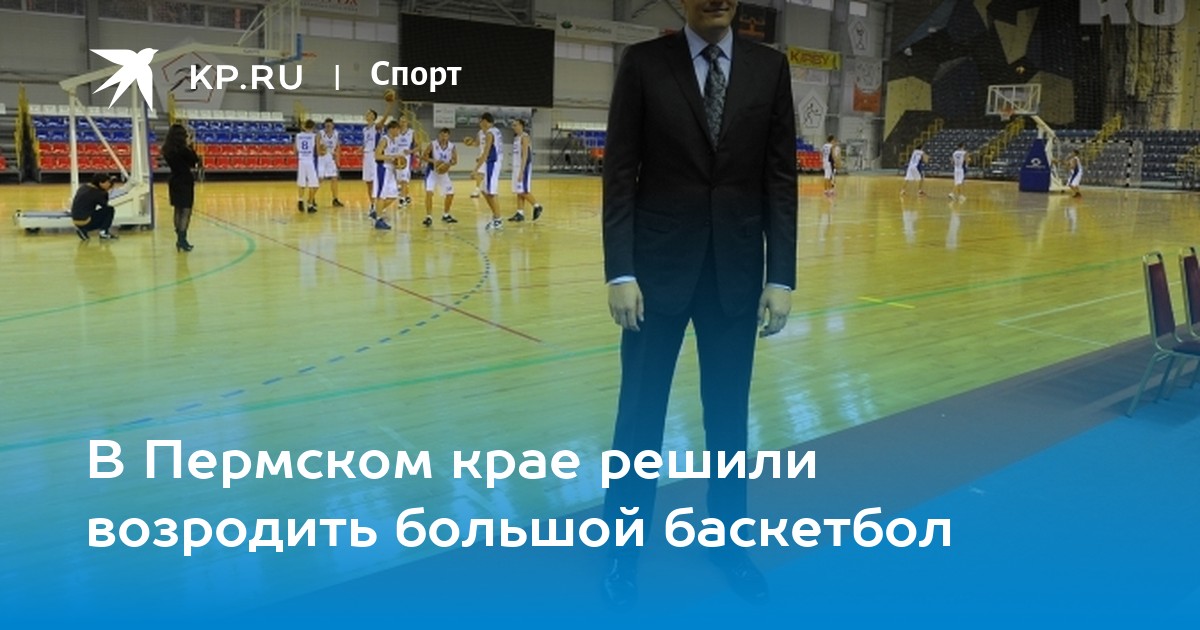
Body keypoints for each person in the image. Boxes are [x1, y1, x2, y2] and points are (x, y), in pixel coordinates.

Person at [601, 0, 797, 608]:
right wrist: (621, 270)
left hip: (735, 272)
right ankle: (621, 548)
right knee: (639, 417)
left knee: (729, 419)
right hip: (655, 273)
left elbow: (780, 177)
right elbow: (620, 173)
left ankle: (729, 542)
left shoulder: (770, 67)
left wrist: (781, 275)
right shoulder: (643, 64)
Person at [161, 123, 200, 252]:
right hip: (185, 180)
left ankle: (179, 239)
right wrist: (190, 146)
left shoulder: (167, 149)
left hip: (174, 179)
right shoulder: (184, 150)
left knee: (178, 209)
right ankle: (182, 240)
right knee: (186, 211)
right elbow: (194, 161)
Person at [507, 119, 544, 222]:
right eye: (513, 125)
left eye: (515, 125)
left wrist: (521, 171)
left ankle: (537, 206)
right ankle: (520, 213)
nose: (514, 127)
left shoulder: (525, 137)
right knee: (518, 190)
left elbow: (525, 155)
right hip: (516, 166)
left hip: (523, 166)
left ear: (521, 126)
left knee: (523, 190)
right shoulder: (516, 138)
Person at [421, 127, 459, 227]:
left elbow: (455, 160)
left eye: (446, 136)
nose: (443, 137)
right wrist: (434, 161)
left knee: (450, 194)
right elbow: (423, 156)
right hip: (432, 172)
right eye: (442, 135)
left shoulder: (452, 146)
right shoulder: (433, 144)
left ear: (448, 136)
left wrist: (447, 164)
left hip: (443, 173)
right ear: (439, 135)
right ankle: (428, 217)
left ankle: (446, 215)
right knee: (429, 193)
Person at [474, 112, 503, 230]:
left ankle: (498, 219)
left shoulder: (490, 134)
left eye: (481, 121)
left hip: (492, 163)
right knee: (484, 191)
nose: (480, 123)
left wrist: (475, 169)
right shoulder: (496, 131)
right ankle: (496, 215)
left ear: (485, 121)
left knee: (491, 192)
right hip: (491, 162)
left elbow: (486, 153)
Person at [71, 173, 120, 241]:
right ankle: (104, 233)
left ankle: (82, 229)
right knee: (109, 210)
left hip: (75, 220)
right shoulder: (99, 193)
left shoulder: (83, 187)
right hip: (86, 222)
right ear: (101, 183)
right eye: (108, 182)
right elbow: (105, 205)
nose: (110, 184)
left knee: (89, 211)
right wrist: (106, 192)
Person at [317, 118, 345, 208]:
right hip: (322, 157)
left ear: (333, 125)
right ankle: (311, 198)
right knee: (320, 179)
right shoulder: (320, 133)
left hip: (331, 157)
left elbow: (338, 147)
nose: (328, 126)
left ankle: (335, 199)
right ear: (324, 125)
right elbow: (316, 146)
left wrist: (338, 160)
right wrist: (319, 152)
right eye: (327, 125)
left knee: (334, 178)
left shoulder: (336, 134)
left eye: (330, 125)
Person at [295, 119, 319, 213]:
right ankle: (310, 205)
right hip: (310, 161)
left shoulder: (298, 136)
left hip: (301, 161)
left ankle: (300, 200)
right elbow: (317, 150)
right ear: (313, 127)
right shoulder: (314, 136)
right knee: (313, 184)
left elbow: (295, 151)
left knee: (301, 183)